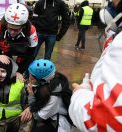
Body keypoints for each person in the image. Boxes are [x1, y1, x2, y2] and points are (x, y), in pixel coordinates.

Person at [69, 0, 122, 131]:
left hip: (82, 24)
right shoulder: (91, 10)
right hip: (87, 25)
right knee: (83, 37)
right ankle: (82, 45)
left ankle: (79, 45)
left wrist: (79, 94)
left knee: (80, 36)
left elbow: (106, 118)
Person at [0, 3, 38, 81]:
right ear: (6, 23)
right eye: (10, 28)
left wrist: (19, 71)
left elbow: (31, 55)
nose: (12, 32)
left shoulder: (31, 31)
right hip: (1, 54)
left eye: (16, 30)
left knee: (14, 80)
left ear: (23, 26)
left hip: (21, 58)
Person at [27, 59, 72, 132]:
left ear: (42, 81)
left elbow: (37, 116)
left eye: (31, 78)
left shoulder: (54, 98)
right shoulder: (49, 83)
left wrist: (31, 96)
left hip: (57, 124)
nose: (29, 80)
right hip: (49, 116)